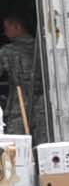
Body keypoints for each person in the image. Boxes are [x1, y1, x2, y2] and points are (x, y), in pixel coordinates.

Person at [0, 11, 42, 143]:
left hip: (19, 108)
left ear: (17, 27)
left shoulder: (8, 51)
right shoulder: (41, 47)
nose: (5, 33)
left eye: (7, 29)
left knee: (17, 149)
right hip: (43, 107)